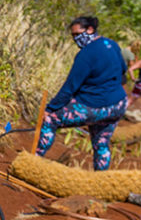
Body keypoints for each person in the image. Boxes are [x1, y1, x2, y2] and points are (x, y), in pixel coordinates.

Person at [35, 16, 128, 171]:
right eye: (73, 36)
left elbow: (70, 87)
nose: (75, 39)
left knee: (50, 120)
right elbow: (123, 71)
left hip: (93, 105)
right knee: (102, 143)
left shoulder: (86, 54)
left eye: (77, 34)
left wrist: (50, 109)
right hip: (118, 104)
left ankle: (34, 160)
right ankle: (100, 179)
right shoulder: (111, 44)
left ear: (90, 29)